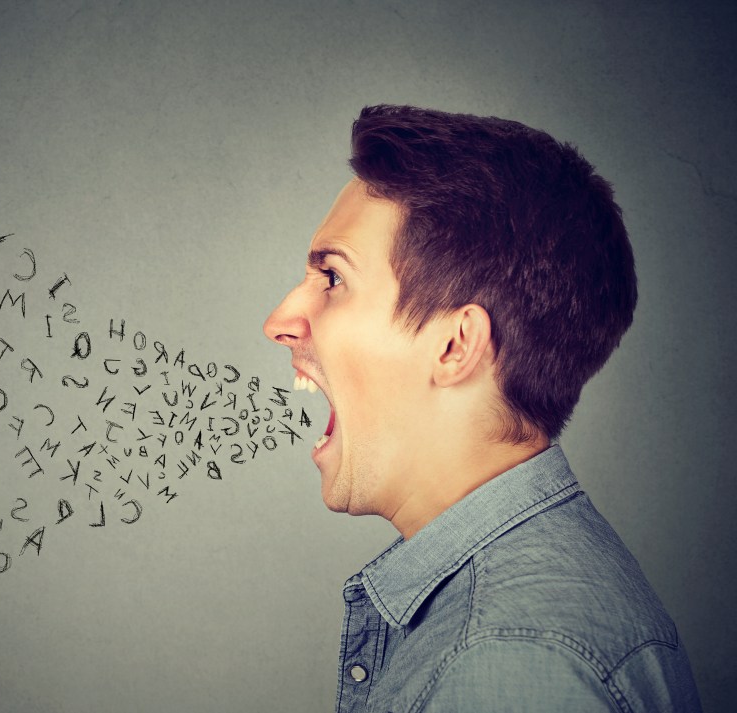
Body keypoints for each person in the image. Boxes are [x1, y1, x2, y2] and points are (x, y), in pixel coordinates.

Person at [263, 105, 702, 712]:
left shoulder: (508, 659)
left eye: (332, 278)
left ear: (455, 345)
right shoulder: (531, 619)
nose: (279, 322)